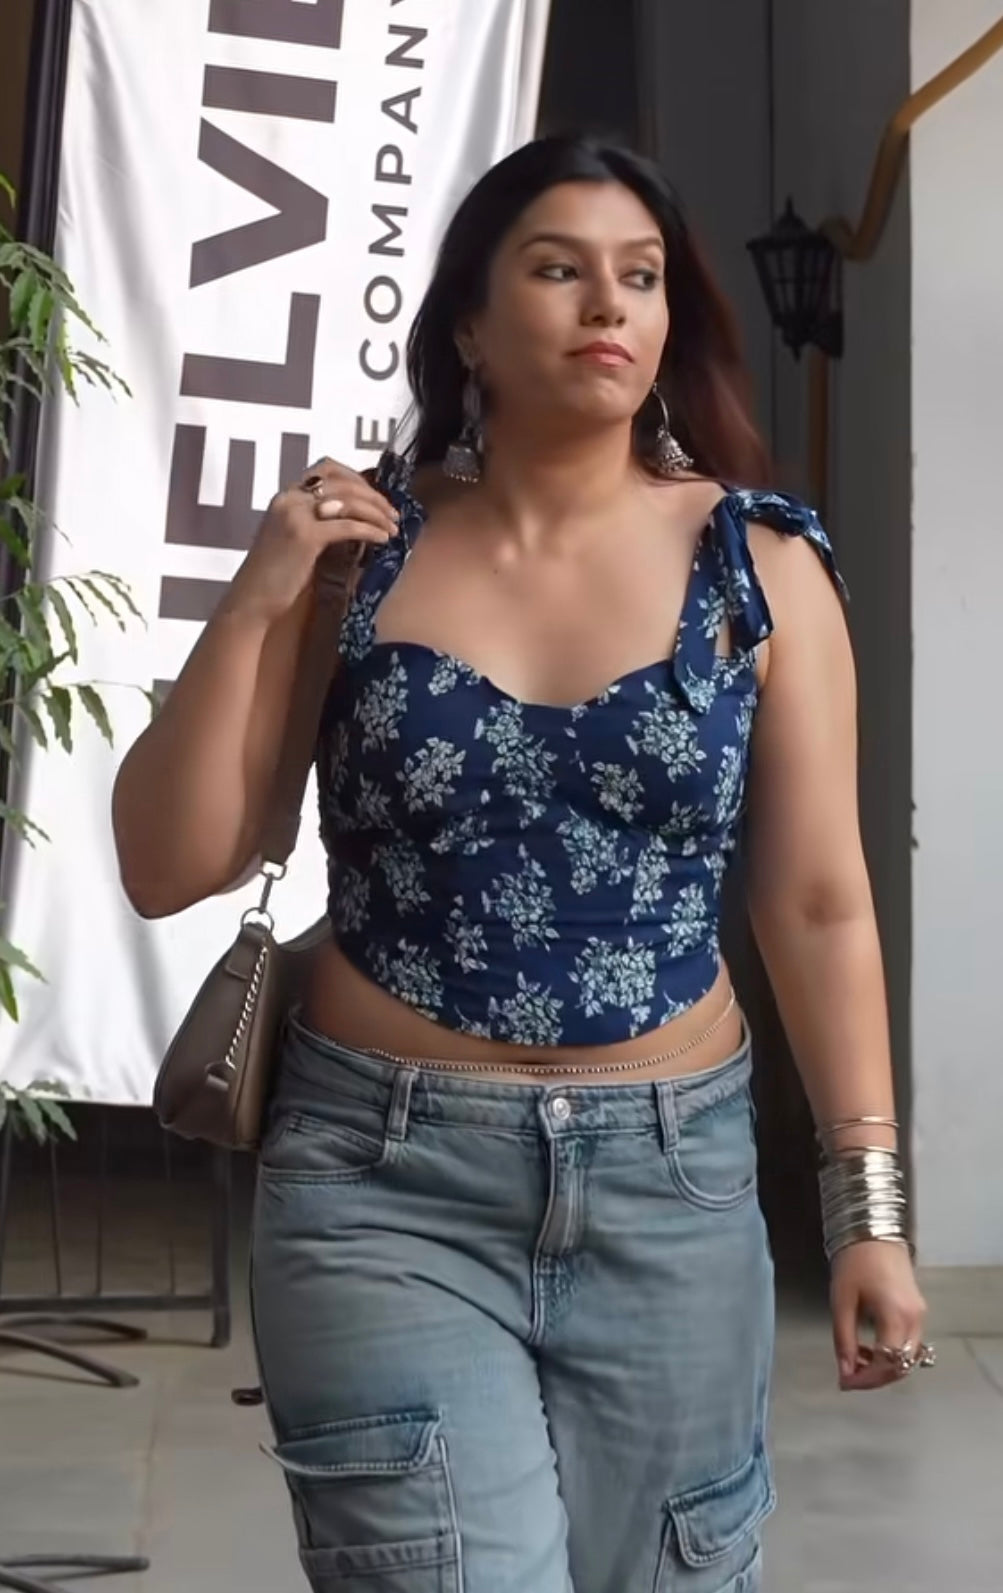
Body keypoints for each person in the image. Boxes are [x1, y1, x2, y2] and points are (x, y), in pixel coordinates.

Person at [113, 136, 930, 1593]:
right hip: (382, 1183)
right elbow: (170, 863)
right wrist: (254, 598)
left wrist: (866, 1209)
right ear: (471, 328)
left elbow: (817, 903)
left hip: (674, 1188)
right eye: (559, 270)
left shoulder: (760, 567)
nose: (607, 304)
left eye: (641, 277)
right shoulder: (357, 550)